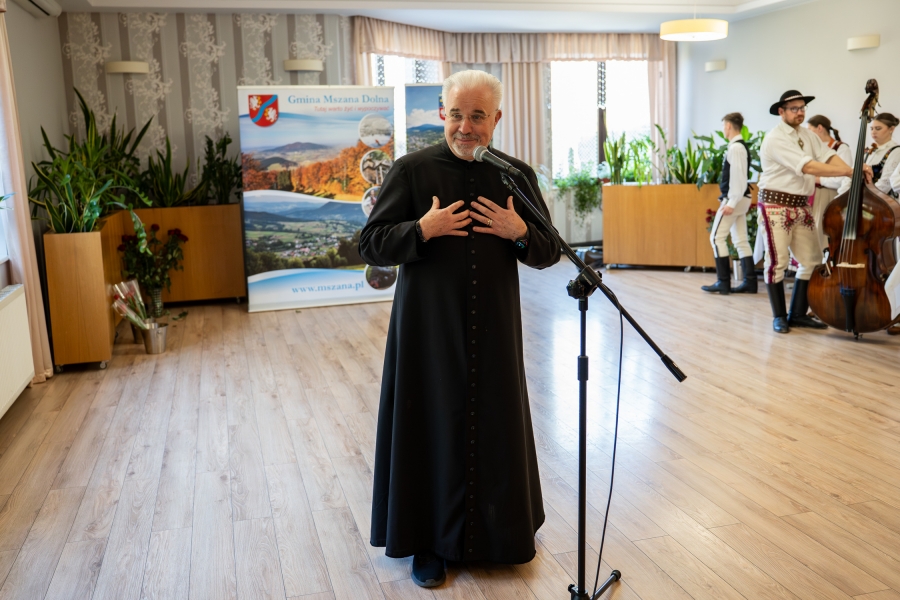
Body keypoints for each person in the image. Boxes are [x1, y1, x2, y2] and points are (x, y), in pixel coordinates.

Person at [359, 70, 560, 588]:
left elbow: (548, 251)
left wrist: (520, 231)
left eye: (477, 116)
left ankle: (498, 536)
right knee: (430, 426)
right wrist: (420, 230)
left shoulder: (515, 175)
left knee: (493, 427)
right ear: (441, 114)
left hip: (494, 330)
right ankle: (427, 543)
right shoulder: (411, 170)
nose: (465, 127)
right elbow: (371, 244)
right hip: (427, 333)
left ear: (496, 118)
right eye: (455, 115)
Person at [758, 90, 867, 334]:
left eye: (802, 108)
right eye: (794, 109)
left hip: (801, 205)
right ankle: (779, 317)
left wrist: (853, 169)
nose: (800, 112)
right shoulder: (775, 138)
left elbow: (829, 157)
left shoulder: (808, 135)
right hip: (775, 205)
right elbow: (807, 166)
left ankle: (797, 314)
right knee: (777, 262)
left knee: (811, 261)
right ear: (781, 112)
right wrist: (850, 171)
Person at [702, 112, 756, 294]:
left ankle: (723, 282)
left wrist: (731, 202)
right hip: (741, 198)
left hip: (735, 199)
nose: (723, 129)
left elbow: (738, 178)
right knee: (741, 240)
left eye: (723, 126)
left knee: (716, 237)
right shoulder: (738, 147)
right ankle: (750, 282)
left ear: (728, 126)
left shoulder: (736, 148)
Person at [807, 115, 852, 252]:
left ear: (820, 128)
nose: (808, 134)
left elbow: (843, 176)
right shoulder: (812, 148)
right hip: (811, 194)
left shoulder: (840, 148)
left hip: (829, 193)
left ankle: (823, 260)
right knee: (810, 232)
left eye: (810, 130)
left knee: (821, 232)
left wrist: (817, 179)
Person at [837, 112, 900, 197]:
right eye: (871, 129)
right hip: (860, 198)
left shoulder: (896, 151)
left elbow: (885, 183)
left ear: (891, 129)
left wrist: (863, 198)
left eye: (878, 128)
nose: (873, 132)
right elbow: (852, 174)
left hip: (880, 200)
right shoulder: (867, 150)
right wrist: (843, 195)